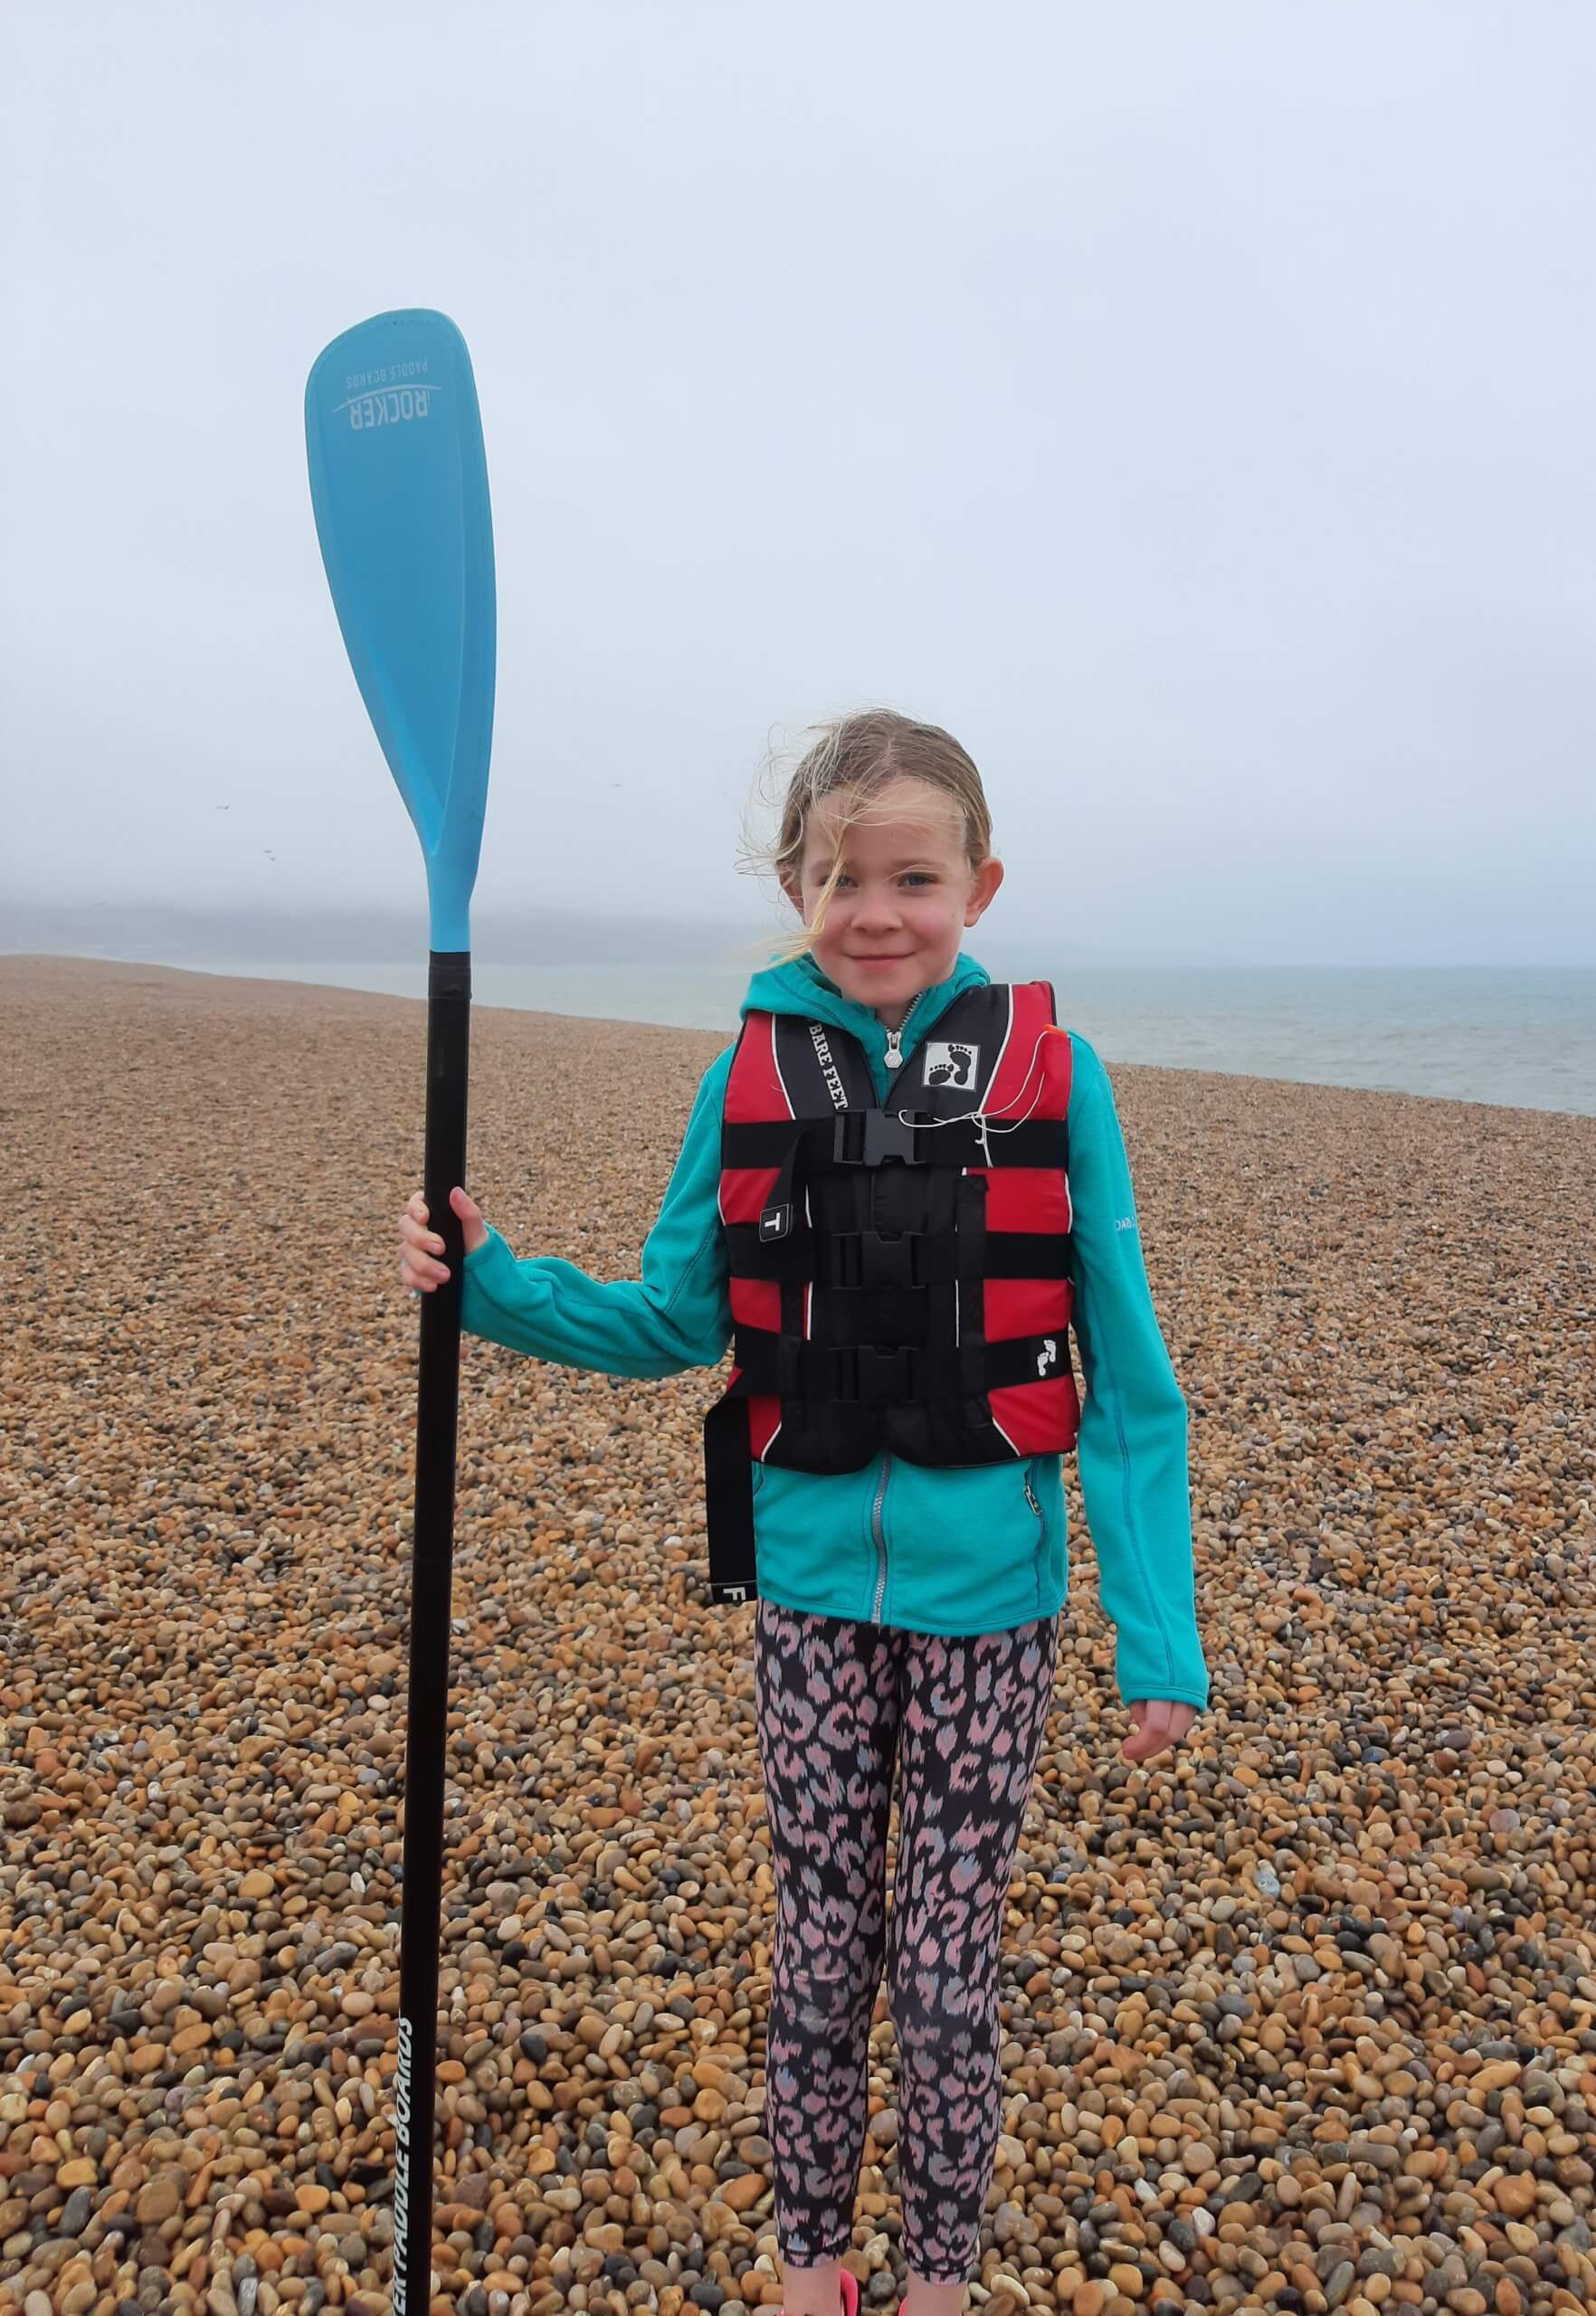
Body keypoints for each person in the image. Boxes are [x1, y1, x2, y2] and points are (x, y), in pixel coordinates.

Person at [394, 709, 1209, 2316]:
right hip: (813, 1593)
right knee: (823, 1945)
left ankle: (944, 2275)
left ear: (981, 883)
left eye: (916, 877)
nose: (879, 913)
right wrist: (483, 1285)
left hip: (994, 1605)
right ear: (794, 879)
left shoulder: (1061, 1076)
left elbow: (1125, 1382)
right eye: (843, 877)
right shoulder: (747, 1072)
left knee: (950, 1965)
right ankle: (814, 2259)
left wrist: (1158, 1640)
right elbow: (672, 1317)